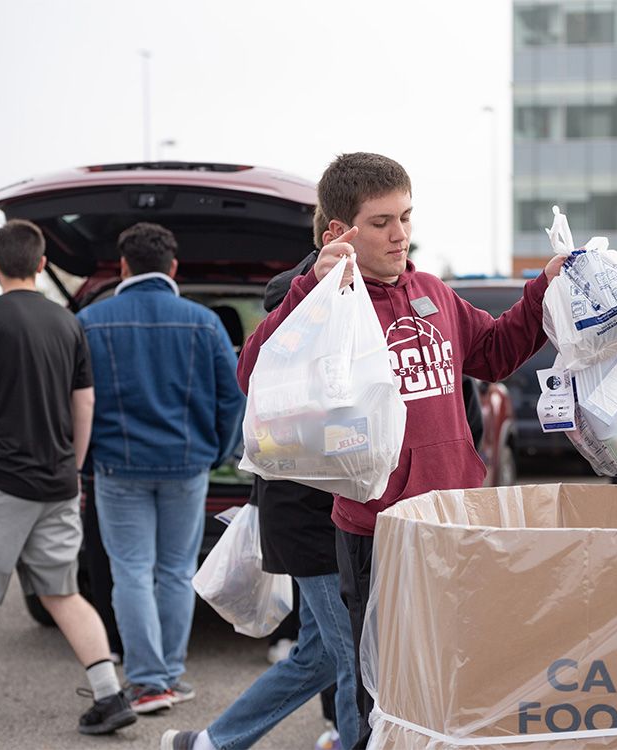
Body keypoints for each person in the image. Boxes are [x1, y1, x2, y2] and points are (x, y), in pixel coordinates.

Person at [237, 152, 566, 749]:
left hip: (455, 521)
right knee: (383, 691)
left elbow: (494, 352)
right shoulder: (323, 302)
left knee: (458, 672)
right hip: (377, 534)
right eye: (383, 221)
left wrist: (547, 287)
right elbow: (254, 374)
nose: (401, 234)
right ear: (338, 232)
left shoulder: (433, 292)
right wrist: (310, 287)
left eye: (406, 217)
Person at [160, 214, 360, 750]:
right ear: (337, 233)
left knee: (320, 655)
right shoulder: (305, 315)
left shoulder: (337, 303)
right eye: (380, 221)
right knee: (355, 658)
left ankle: (210, 743)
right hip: (310, 518)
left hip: (312, 512)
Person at [0, 220, 135, 740]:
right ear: (43, 265)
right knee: (63, 592)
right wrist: (73, 466)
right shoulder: (69, 323)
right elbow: (84, 403)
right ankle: (110, 697)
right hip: (57, 481)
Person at [77, 223, 245, 714]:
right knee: (176, 570)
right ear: (173, 268)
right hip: (187, 465)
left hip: (116, 465)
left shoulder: (91, 320)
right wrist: (217, 451)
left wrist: (84, 460)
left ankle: (147, 683)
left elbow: (76, 401)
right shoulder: (204, 322)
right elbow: (232, 397)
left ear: (123, 266)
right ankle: (169, 676)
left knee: (130, 570)